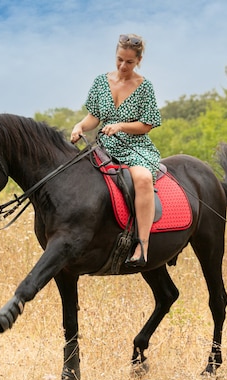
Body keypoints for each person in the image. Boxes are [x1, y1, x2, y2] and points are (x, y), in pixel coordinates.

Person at [71, 33, 162, 267]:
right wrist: (80, 126)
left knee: (142, 178)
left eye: (129, 62)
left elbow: (147, 125)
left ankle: (142, 245)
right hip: (103, 146)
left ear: (139, 61)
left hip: (135, 146)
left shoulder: (145, 87)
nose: (123, 66)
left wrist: (121, 126)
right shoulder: (101, 82)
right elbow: (94, 117)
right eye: (119, 59)